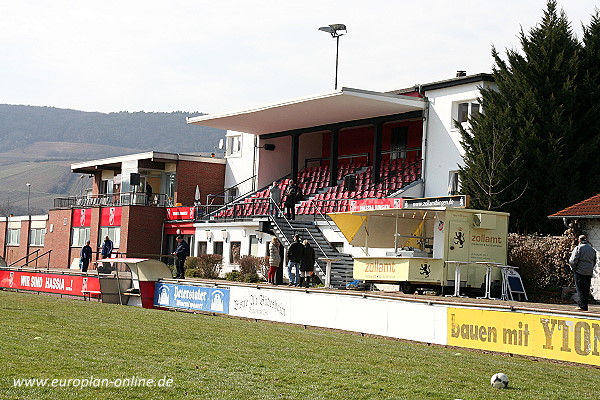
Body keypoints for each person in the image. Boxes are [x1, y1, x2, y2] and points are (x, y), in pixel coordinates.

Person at [569, 234, 596, 311]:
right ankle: (585, 305)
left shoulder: (578, 248)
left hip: (580, 271)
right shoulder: (592, 249)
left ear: (579, 240)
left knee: (580, 288)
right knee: (586, 289)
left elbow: (572, 261)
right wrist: (590, 268)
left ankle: (582, 306)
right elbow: (594, 261)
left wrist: (574, 269)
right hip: (589, 272)